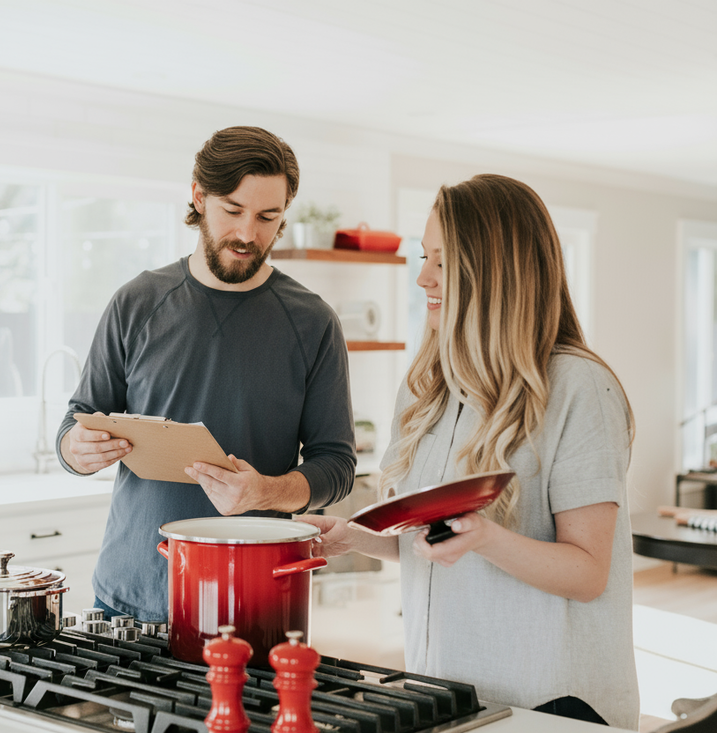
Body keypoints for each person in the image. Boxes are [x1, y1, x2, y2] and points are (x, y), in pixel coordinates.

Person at [299, 174, 639, 729]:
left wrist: (485, 536)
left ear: (496, 270)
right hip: (449, 693)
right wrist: (355, 537)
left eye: (443, 260)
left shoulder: (579, 387)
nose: (423, 277)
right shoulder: (427, 387)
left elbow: (587, 573)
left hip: (554, 704)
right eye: (424, 256)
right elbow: (437, 542)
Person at [56, 125, 356, 624]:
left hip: (254, 600)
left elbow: (337, 466)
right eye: (233, 211)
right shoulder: (136, 303)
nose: (248, 234)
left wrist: (266, 491)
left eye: (268, 217)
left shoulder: (313, 322)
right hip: (127, 599)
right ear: (199, 196)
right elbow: (78, 421)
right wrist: (76, 449)